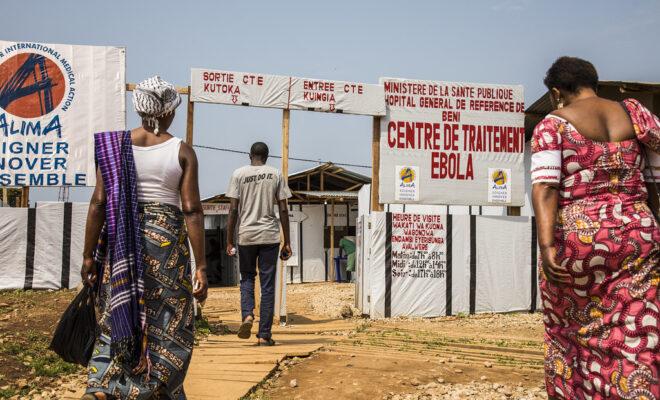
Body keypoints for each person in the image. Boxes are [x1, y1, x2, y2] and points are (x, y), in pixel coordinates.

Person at [531, 57, 659, 400]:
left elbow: (545, 187)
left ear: (558, 92)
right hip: (638, 234)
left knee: (570, 331)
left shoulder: (552, 125)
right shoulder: (636, 117)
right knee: (635, 328)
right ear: (594, 82)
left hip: (581, 239)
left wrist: (546, 247)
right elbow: (654, 180)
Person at [80, 76, 208, 399]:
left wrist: (87, 257)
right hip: (166, 249)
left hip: (122, 245)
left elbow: (98, 202)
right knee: (169, 317)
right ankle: (159, 385)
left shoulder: (114, 147)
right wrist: (201, 267)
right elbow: (192, 210)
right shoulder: (182, 152)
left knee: (116, 309)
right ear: (167, 112)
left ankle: (107, 384)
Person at [225, 142, 292, 346]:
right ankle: (264, 335)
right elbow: (282, 209)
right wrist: (287, 241)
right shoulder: (275, 174)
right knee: (268, 285)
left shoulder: (238, 174)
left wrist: (229, 240)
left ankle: (247, 316)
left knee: (247, 278)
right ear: (267, 156)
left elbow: (233, 210)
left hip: (246, 236)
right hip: (270, 236)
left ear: (250, 155)